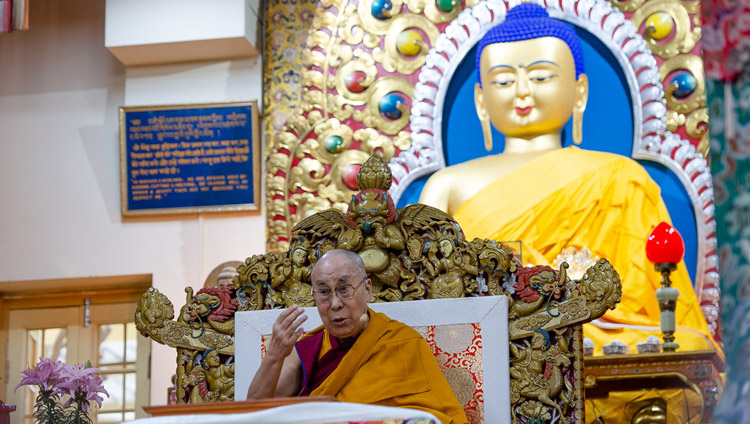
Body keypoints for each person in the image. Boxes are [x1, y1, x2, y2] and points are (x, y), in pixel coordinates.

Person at [418, 3, 718, 354]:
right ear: (481, 100)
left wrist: (574, 305)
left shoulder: (620, 177)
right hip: (493, 344)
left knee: (684, 343)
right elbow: (429, 293)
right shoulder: (448, 185)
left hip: (599, 335)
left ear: (580, 92)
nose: (522, 91)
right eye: (503, 80)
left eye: (541, 76)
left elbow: (644, 297)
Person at [246, 249, 468, 424]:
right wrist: (274, 355)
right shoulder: (306, 349)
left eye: (344, 289)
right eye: (324, 293)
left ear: (368, 289)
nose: (335, 304)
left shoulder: (402, 342)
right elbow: (255, 412)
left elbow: (434, 416)